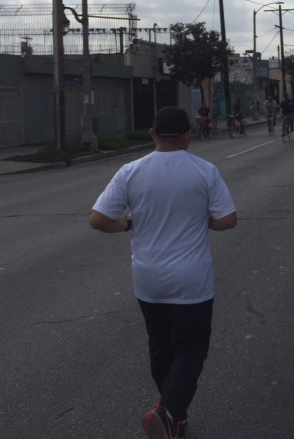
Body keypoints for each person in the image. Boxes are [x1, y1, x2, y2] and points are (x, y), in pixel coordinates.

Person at [89, 106, 237, 439]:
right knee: (192, 348)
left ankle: (173, 418)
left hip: (148, 280)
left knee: (160, 346)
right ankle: (169, 411)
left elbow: (98, 220)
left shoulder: (131, 171)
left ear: (153, 134)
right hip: (192, 281)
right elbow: (228, 220)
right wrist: (203, 220)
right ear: (188, 135)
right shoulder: (205, 171)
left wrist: (127, 223)